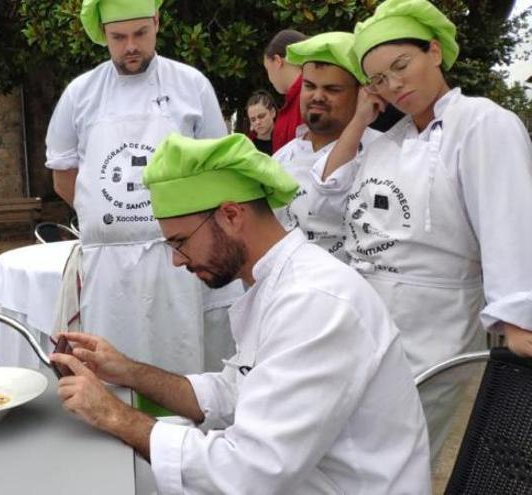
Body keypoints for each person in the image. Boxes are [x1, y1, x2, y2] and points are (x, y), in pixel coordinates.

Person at [51, 132, 431, 494]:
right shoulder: (278, 283)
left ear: (231, 215)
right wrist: (127, 371)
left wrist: (114, 416)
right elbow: (235, 392)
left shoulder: (315, 301)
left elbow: (249, 474)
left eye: (181, 242)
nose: (176, 261)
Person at [310, 0, 532, 453]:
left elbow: (509, 221)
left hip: (433, 325)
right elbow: (327, 191)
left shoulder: (483, 123)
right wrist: (360, 117)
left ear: (434, 50)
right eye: (377, 79)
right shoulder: (387, 142)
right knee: (349, 457)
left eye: (401, 65)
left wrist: (518, 321)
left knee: (398, 454)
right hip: (363, 318)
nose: (393, 85)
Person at [45, 0, 239, 376]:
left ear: (157, 22)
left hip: (176, 259)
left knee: (178, 362)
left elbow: (215, 168)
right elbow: (63, 175)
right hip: (107, 266)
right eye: (118, 37)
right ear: (103, 35)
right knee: (109, 367)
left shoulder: (191, 85)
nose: (130, 46)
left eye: (140, 34)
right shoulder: (80, 94)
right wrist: (109, 217)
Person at [273, 31, 381, 261]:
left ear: (361, 93)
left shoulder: (383, 152)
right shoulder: (280, 160)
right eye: (309, 86)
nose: (317, 97)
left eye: (332, 89)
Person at [263, 29, 307, 153]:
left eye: (267, 69)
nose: (269, 78)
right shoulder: (298, 98)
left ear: (277, 61)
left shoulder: (306, 99)